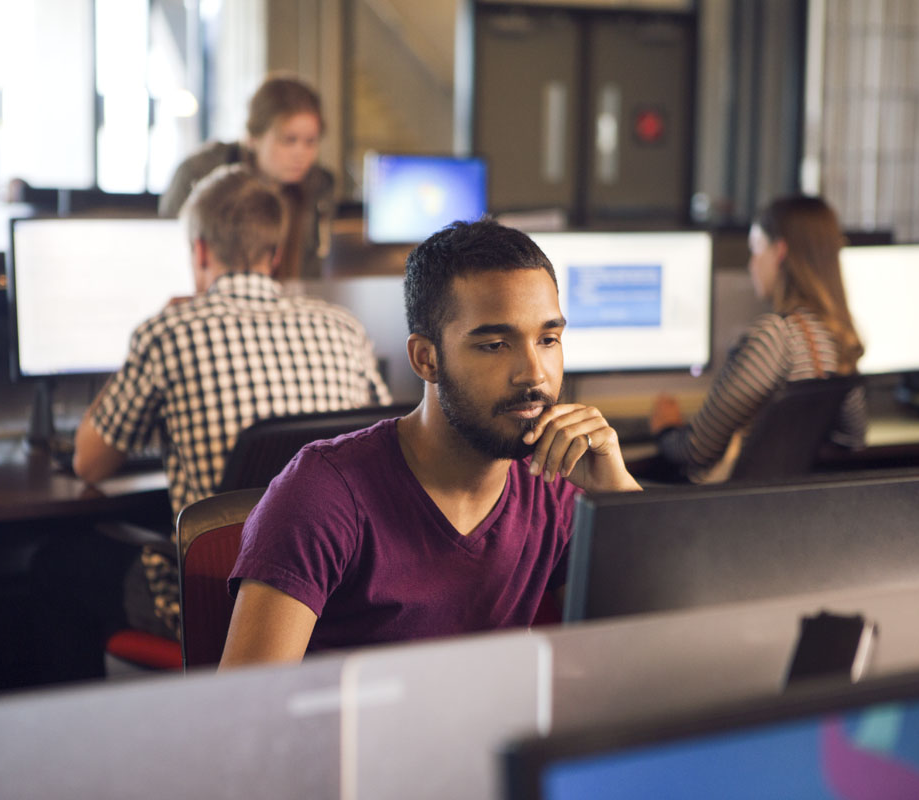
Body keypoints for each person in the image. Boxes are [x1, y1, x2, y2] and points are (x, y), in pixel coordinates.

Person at [220, 219, 641, 668]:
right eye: (496, 344)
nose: (534, 373)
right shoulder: (323, 493)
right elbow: (249, 715)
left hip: (492, 736)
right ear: (426, 358)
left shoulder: (555, 485)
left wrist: (617, 498)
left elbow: (654, 656)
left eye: (548, 339)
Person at [32, 164, 390, 683]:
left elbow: (89, 461)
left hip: (221, 608)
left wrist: (157, 328)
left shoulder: (171, 330)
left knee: (56, 564)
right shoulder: (344, 328)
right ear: (273, 255)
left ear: (198, 250)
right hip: (337, 601)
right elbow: (380, 444)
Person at [650, 194, 867, 482]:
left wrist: (665, 427)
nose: (751, 264)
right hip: (791, 508)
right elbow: (853, 438)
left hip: (729, 510)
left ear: (779, 252)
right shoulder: (839, 339)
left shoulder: (773, 337)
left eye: (755, 249)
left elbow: (696, 450)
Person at [159, 73, 334, 280]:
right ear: (253, 138)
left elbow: (312, 270)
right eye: (289, 140)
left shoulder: (317, 186)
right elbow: (168, 251)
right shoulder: (200, 173)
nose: (301, 154)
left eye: (311, 141)